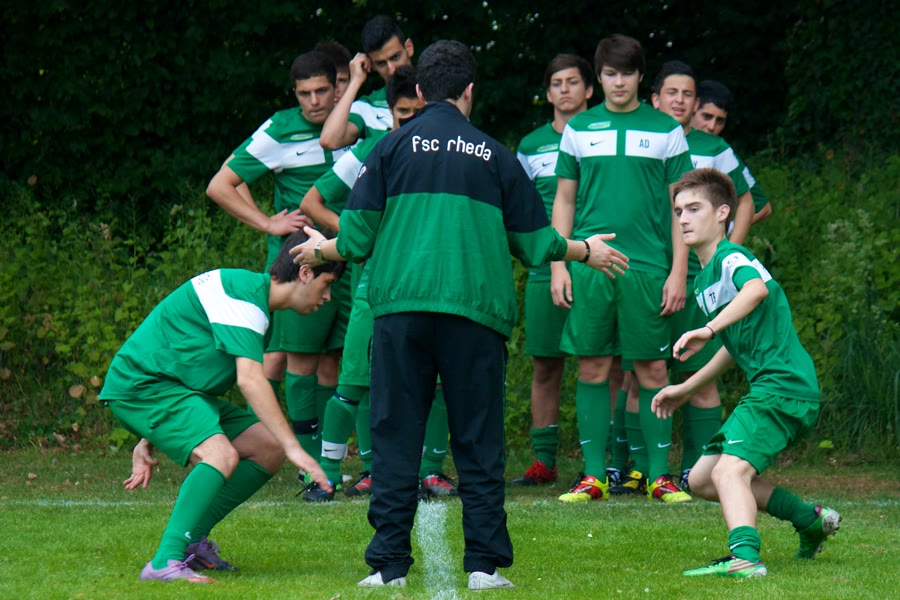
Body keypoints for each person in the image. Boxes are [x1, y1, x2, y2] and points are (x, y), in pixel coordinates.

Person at [291, 39, 628, 590]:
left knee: (395, 437)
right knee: (478, 440)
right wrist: (584, 250)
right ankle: (484, 567)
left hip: (400, 313)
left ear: (421, 90)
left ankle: (387, 567)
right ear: (470, 91)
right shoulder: (496, 155)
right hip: (475, 316)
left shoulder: (389, 149)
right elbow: (535, 242)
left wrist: (318, 251)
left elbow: (355, 238)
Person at [99, 230, 345, 583]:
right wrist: (297, 449)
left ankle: (191, 541)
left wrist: (147, 438)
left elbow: (187, 367)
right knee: (221, 455)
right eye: (327, 283)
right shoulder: (244, 298)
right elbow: (250, 380)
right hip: (142, 387)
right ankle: (164, 562)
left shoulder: (254, 302)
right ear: (305, 272)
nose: (328, 296)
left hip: (168, 389)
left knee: (268, 447)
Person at [653, 168, 841, 577]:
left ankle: (745, 558)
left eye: (694, 209)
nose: (683, 218)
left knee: (729, 470)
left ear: (723, 213)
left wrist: (707, 328)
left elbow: (755, 290)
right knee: (703, 479)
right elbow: (732, 346)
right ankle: (808, 520)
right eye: (678, 211)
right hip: (772, 387)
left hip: (782, 385)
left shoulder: (731, 258)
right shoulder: (704, 280)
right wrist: (686, 387)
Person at [297, 66, 457, 501]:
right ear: (389, 113)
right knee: (355, 379)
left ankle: (429, 471)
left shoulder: (448, 152)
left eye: (417, 112)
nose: (411, 121)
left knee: (434, 381)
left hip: (434, 281)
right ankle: (333, 474)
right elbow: (313, 201)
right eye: (403, 114)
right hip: (376, 282)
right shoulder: (374, 149)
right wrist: (358, 237)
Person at [551, 34, 693, 504]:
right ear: (599, 77)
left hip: (648, 267)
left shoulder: (667, 130)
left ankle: (659, 476)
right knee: (592, 365)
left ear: (639, 77)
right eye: (610, 74)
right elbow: (564, 200)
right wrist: (560, 263)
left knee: (652, 368)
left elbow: (680, 207)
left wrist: (678, 271)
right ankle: (593, 477)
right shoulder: (578, 128)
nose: (618, 82)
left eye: (627, 73)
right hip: (590, 262)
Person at [206, 50, 353, 468]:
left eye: (321, 90)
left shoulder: (355, 126)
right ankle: (305, 464)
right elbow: (222, 182)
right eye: (304, 93)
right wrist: (267, 223)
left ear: (337, 87)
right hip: (302, 265)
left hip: (352, 258)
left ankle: (330, 462)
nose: (314, 101)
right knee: (297, 359)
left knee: (336, 361)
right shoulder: (280, 129)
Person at [650, 60, 753, 492]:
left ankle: (694, 472)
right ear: (654, 98)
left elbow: (748, 201)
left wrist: (725, 253)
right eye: (671, 93)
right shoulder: (645, 138)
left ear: (696, 102)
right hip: (648, 269)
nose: (680, 101)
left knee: (701, 370)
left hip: (696, 275)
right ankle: (638, 470)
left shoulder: (712, 146)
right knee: (640, 370)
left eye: (688, 94)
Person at [510, 53, 594, 487]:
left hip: (598, 261)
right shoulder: (531, 145)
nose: (565, 89)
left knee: (603, 365)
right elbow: (518, 206)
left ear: (589, 89)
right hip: (547, 267)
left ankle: (609, 462)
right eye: (557, 83)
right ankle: (544, 462)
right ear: (547, 93)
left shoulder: (601, 135)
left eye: (573, 81)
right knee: (546, 365)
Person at [319, 15, 415, 149]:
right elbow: (329, 140)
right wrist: (355, 81)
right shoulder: (367, 107)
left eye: (395, 57)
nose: (391, 69)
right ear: (371, 65)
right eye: (381, 63)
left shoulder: (436, 92)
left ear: (409, 48)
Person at [691, 80, 773, 224]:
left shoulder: (721, 153)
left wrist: (723, 230)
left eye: (720, 121)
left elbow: (763, 208)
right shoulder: (667, 139)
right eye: (707, 117)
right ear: (693, 108)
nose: (712, 126)